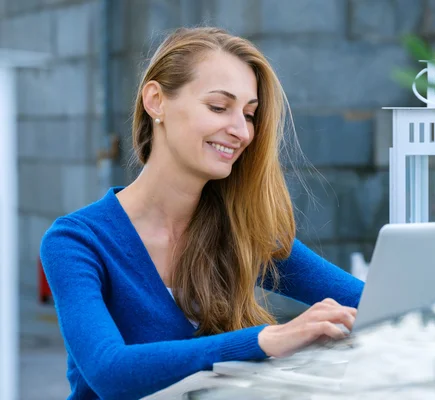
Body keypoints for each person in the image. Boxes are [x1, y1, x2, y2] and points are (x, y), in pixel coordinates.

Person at [40, 27, 365, 400]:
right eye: (218, 107)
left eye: (249, 114)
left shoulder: (243, 231)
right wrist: (266, 339)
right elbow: (110, 371)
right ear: (156, 101)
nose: (241, 131)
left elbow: (371, 303)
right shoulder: (77, 241)